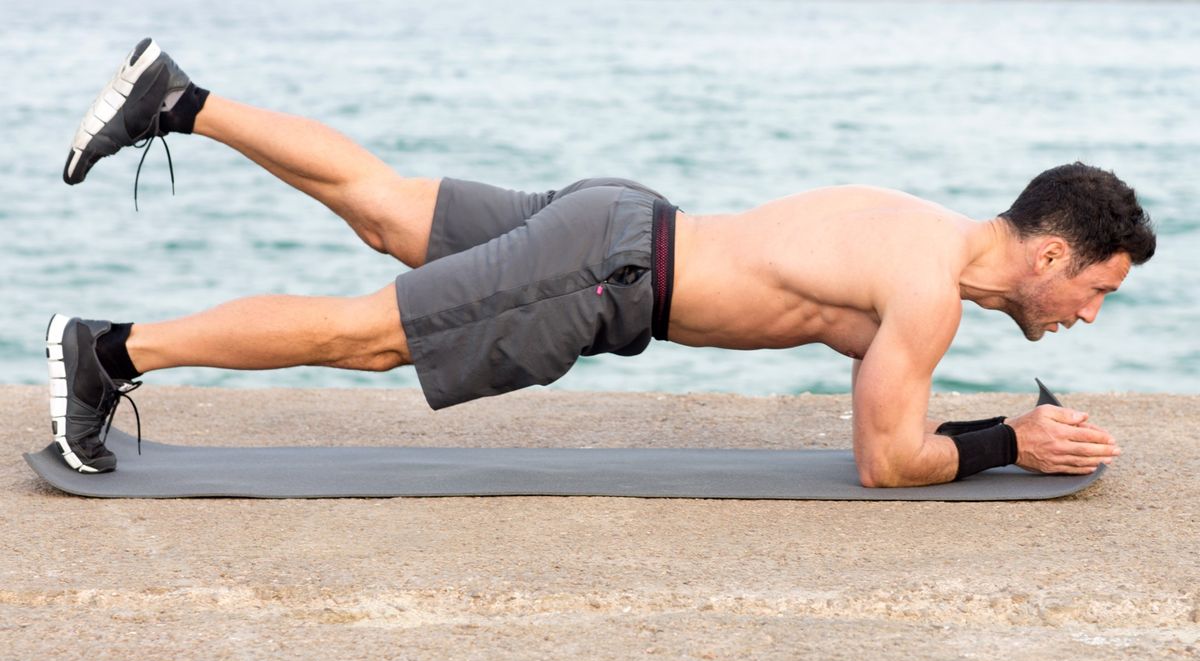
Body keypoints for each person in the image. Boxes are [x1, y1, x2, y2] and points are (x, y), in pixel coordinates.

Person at [49, 38, 1154, 485]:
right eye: (1094, 291)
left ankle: (176, 100)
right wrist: (1010, 439)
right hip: (608, 274)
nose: (1087, 316)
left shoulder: (924, 230)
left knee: (387, 209)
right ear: (1052, 252)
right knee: (366, 332)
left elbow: (881, 400)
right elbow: (886, 460)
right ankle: (108, 352)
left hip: (622, 220)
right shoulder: (926, 289)